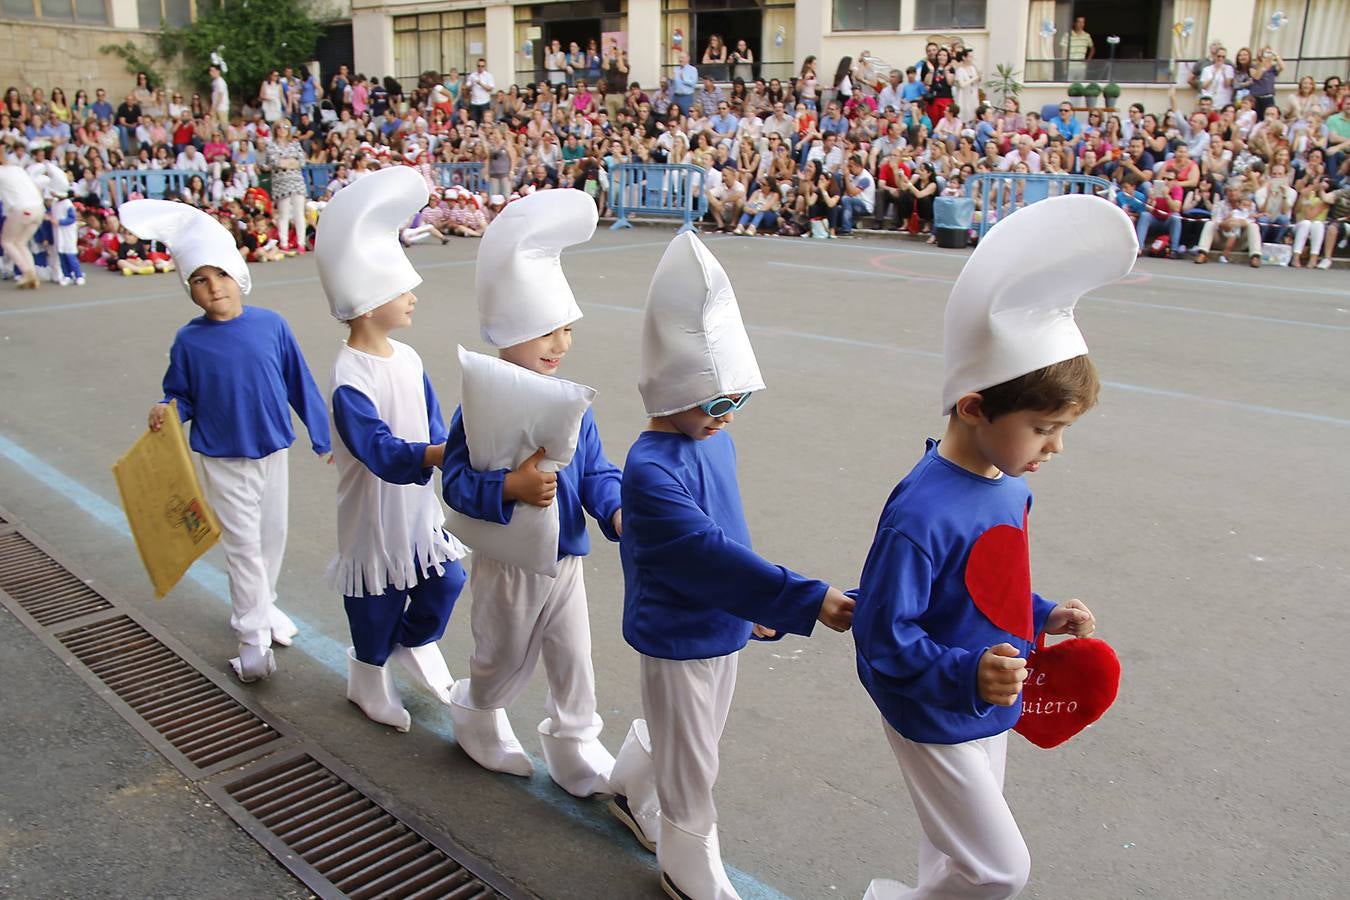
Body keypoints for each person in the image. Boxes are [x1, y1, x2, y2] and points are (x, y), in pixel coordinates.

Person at [857, 195, 1124, 900]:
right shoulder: (921, 512)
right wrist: (967, 674)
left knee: (951, 860)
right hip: (933, 706)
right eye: (1043, 427)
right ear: (974, 407)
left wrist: (1038, 615)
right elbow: (883, 637)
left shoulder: (1009, 483)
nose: (1056, 447)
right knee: (999, 869)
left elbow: (984, 587)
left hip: (985, 694)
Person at [607, 232, 854, 899]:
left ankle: (631, 778)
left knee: (695, 733)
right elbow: (703, 554)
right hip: (679, 629)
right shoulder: (650, 469)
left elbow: (729, 537)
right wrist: (799, 600)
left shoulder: (710, 441)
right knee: (695, 759)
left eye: (736, 401)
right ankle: (687, 858)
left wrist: (757, 604)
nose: (727, 416)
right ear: (667, 391)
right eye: (716, 402)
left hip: (721, 616)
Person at [441, 189, 622, 798]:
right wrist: (510, 486)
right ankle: (477, 708)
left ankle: (574, 739)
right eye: (546, 330)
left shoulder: (571, 400)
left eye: (566, 329)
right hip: (510, 562)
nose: (560, 343)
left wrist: (616, 506)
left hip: (566, 557)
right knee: (502, 652)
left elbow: (594, 468)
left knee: (575, 656)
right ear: (508, 328)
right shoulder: (482, 403)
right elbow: (458, 482)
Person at [128, 199, 330, 683]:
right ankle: (251, 640)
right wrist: (167, 409)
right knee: (242, 547)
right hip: (222, 456)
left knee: (271, 537)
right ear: (189, 289)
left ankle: (267, 607)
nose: (213, 286)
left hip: (272, 449)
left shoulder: (271, 324)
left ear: (237, 273)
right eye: (199, 279)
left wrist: (322, 436)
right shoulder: (189, 340)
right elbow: (180, 394)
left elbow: (299, 381)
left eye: (219, 274)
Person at [315, 166, 470, 731]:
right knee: (375, 595)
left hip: (417, 506)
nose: (412, 297)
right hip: (372, 509)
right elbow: (377, 448)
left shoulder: (408, 359)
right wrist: (432, 455)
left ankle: (413, 641)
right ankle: (368, 673)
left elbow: (432, 421)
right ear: (367, 301)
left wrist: (449, 445)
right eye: (401, 291)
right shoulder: (348, 374)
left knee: (446, 579)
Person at [1060, 15, 1094, 82]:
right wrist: (1064, 67)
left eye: (1083, 22)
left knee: (1080, 87)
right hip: (1070, 67)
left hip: (1081, 68)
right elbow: (1063, 52)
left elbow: (1092, 48)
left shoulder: (1086, 36)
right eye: (1079, 22)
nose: (1081, 24)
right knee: (1069, 87)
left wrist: (1088, 60)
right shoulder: (1067, 35)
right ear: (1074, 23)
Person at [467, 59, 495, 123]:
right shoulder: (472, 75)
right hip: (474, 102)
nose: (480, 68)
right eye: (479, 66)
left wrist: (480, 83)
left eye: (482, 66)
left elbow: (490, 88)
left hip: (484, 102)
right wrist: (471, 84)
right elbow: (467, 87)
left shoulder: (489, 75)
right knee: (474, 121)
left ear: (485, 66)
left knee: (485, 121)